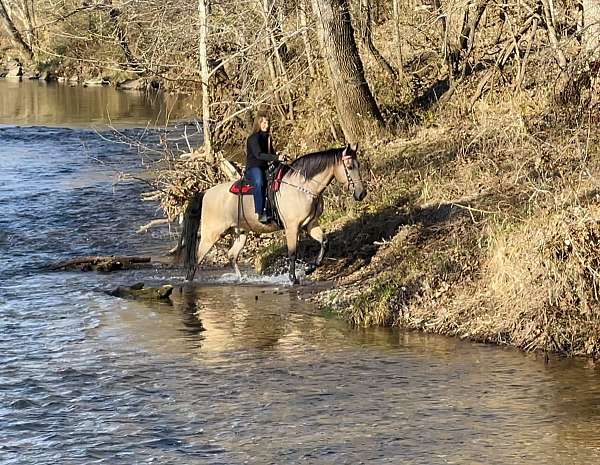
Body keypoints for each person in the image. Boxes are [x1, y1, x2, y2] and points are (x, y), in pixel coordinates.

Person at [245, 114, 285, 224]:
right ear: (258, 123)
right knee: (259, 182)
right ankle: (260, 212)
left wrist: (279, 156)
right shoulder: (253, 138)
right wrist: (276, 157)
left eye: (267, 123)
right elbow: (259, 155)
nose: (266, 126)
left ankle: (274, 210)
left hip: (264, 167)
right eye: (264, 123)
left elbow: (270, 153)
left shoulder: (267, 138)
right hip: (253, 168)